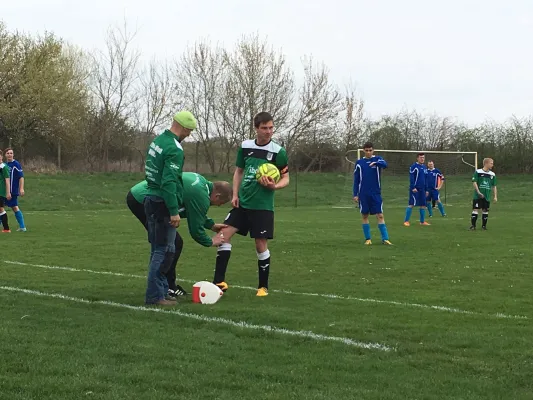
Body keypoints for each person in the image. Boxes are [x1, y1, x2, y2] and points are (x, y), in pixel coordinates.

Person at [211, 111, 289, 297]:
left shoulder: (278, 152)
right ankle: (219, 282)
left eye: (271, 128)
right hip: (243, 203)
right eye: (264, 128)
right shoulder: (245, 147)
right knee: (223, 234)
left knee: (260, 244)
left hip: (262, 206)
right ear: (256, 128)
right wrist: (235, 194)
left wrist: (274, 186)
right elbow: (239, 171)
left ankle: (263, 287)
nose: (269, 131)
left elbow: (286, 178)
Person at [127, 172, 230, 297]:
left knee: (171, 243)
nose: (219, 206)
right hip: (142, 199)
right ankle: (164, 288)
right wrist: (211, 241)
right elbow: (195, 230)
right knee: (166, 245)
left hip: (141, 194)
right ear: (217, 196)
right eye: (221, 203)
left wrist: (211, 225)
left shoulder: (201, 182)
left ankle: (167, 285)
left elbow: (194, 211)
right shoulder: (201, 195)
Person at [143, 110, 197, 306]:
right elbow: (168, 181)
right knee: (163, 250)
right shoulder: (174, 148)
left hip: (150, 198)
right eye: (189, 131)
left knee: (163, 249)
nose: (189, 135)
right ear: (182, 127)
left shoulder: (157, 141)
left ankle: (162, 291)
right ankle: (154, 296)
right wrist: (174, 210)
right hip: (162, 203)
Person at [352, 142, 392, 245]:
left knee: (380, 215)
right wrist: (355, 194)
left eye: (370, 150)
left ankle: (385, 239)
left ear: (373, 150)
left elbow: (385, 165)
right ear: (363, 151)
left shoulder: (378, 159)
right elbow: (356, 180)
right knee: (365, 215)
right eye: (367, 150)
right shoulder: (359, 163)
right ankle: (368, 239)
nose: (369, 152)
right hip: (363, 194)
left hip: (375, 193)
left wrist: (376, 163)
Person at [470, 158, 498, 231]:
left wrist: (495, 196)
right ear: (486, 163)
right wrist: (478, 192)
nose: (492, 165)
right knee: (475, 209)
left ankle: (484, 226)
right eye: (491, 163)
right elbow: (474, 182)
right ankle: (473, 226)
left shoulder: (492, 174)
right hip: (477, 195)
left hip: (487, 196)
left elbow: (494, 186)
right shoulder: (478, 172)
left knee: (485, 210)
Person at [404, 152, 430, 226]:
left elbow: (426, 179)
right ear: (417, 158)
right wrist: (413, 187)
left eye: (423, 158)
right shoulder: (414, 166)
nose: (422, 159)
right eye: (421, 157)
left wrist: (427, 189)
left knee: (423, 205)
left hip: (423, 189)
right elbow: (412, 178)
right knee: (411, 204)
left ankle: (422, 221)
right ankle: (406, 221)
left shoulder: (425, 167)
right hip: (415, 189)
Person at [4, 148, 26, 231]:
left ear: (13, 154)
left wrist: (21, 188)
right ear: (5, 155)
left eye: (11, 153)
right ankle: (22, 227)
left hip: (12, 190)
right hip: (4, 190)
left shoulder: (16, 164)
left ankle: (22, 227)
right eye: (8, 153)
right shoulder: (5, 165)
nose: (9, 154)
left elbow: (21, 177)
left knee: (14, 207)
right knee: (4, 207)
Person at [0, 150, 12, 232]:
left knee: (1, 209)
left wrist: (8, 192)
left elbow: (7, 180)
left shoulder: (4, 167)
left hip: (1, 192)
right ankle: (6, 228)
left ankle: (6, 228)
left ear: (1, 156)